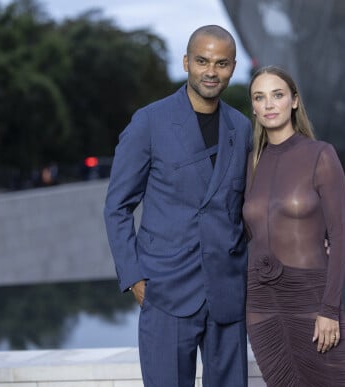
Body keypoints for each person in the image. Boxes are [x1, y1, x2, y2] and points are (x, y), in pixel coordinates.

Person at [104, 25, 251, 387]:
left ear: (232, 68)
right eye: (202, 61)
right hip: (166, 291)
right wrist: (134, 278)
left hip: (227, 294)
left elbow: (250, 208)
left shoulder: (243, 128)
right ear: (186, 62)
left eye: (221, 63)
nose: (211, 72)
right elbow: (117, 207)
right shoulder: (149, 122)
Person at [243, 65, 345, 386]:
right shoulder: (248, 163)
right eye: (259, 97)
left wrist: (330, 309)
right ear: (252, 107)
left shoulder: (321, 155)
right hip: (261, 304)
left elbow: (339, 235)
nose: (269, 104)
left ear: (294, 101)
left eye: (277, 95)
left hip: (312, 297)